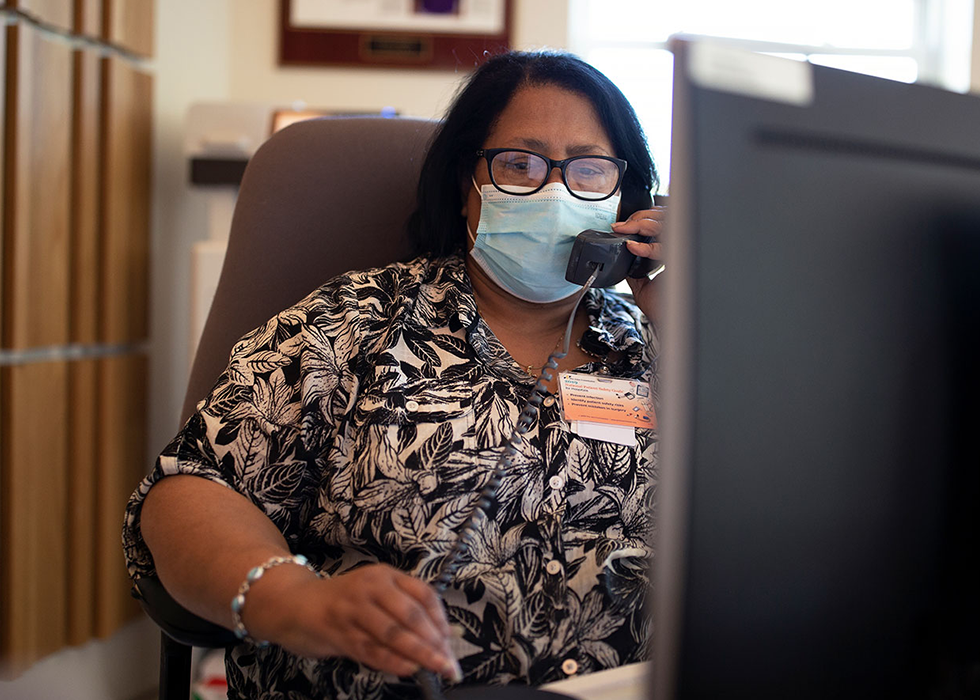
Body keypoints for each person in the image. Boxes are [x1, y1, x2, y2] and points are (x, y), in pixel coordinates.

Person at [123, 49, 664, 699]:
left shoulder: (662, 344)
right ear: (466, 181)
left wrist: (699, 331)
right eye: (519, 164)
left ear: (624, 198)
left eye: (588, 168)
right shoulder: (353, 324)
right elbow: (191, 490)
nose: (556, 191)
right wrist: (293, 597)